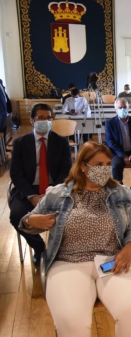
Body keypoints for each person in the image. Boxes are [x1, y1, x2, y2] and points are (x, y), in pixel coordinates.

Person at [19, 141, 131, 337]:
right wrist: (32, 220)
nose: (105, 169)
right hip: (68, 262)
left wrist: (129, 249)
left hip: (112, 259)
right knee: (72, 319)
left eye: (108, 165)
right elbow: (26, 221)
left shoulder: (121, 193)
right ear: (84, 166)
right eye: (98, 165)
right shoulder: (58, 194)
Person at [9, 103, 72, 264]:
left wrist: (51, 192)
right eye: (41, 118)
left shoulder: (61, 142)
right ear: (32, 121)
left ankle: (63, 249)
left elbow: (66, 171)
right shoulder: (20, 143)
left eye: (48, 118)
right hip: (28, 189)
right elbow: (16, 174)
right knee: (16, 216)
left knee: (73, 213)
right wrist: (31, 196)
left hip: (55, 188)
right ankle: (39, 248)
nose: (45, 121)